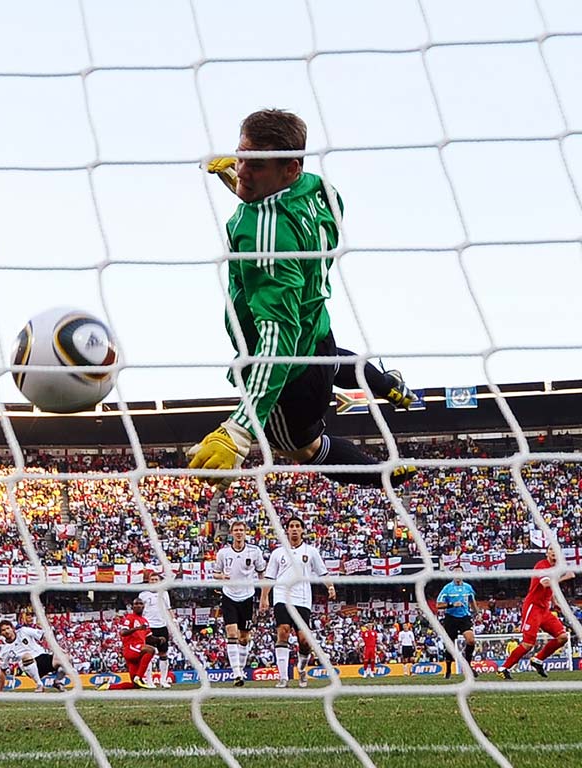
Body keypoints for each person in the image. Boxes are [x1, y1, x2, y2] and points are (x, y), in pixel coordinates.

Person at [188, 109, 416, 489]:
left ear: (290, 169)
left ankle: (379, 476)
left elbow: (278, 339)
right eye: (242, 156)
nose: (241, 170)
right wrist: (246, 184)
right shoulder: (321, 192)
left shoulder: (261, 235)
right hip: (318, 334)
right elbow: (289, 210)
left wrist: (239, 430)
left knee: (303, 448)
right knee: (326, 356)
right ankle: (387, 384)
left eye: (255, 166)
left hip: (287, 372)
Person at [259, 516, 335, 688]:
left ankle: (301, 669)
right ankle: (283, 677)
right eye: (291, 526)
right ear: (287, 530)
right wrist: (264, 598)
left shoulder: (311, 551)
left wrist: (330, 587)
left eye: (297, 526)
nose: (294, 529)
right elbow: (269, 577)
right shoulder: (278, 553)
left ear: (302, 530)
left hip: (302, 599)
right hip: (281, 597)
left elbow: (322, 572)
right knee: (283, 632)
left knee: (305, 641)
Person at [499, 544, 576, 680]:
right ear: (547, 553)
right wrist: (565, 577)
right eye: (551, 549)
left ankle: (538, 660)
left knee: (563, 637)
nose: (553, 552)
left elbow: (550, 588)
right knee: (528, 643)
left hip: (544, 610)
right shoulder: (541, 566)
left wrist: (555, 602)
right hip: (533, 608)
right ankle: (504, 668)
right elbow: (546, 583)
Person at [212, 519, 267, 686]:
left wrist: (264, 597)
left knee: (244, 638)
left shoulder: (254, 551)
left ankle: (240, 670)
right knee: (232, 633)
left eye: (241, 530)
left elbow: (261, 573)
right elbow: (215, 574)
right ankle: (236, 673)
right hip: (229, 596)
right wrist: (222, 577)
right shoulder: (223, 553)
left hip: (247, 597)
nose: (238, 533)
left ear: (245, 533)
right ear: (231, 533)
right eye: (235, 530)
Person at [0, 620, 69, 693]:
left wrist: (57, 648)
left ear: (12, 628)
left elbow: (45, 635)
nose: (7, 631)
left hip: (43, 657)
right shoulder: (5, 650)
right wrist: (0, 690)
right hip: (29, 666)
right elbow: (3, 670)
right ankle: (39, 684)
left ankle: (58, 682)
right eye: (3, 630)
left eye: (8, 628)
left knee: (66, 657)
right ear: (1, 633)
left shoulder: (24, 631)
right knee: (26, 656)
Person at [104, 598, 158, 690]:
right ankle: (139, 677)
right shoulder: (130, 618)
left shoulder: (144, 621)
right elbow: (123, 632)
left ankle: (108, 686)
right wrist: (137, 628)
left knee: (135, 685)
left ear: (143, 606)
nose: (138, 605)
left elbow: (149, 638)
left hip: (137, 652)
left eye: (140, 603)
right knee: (151, 650)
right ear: (132, 607)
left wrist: (159, 639)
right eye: (136, 604)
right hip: (131, 648)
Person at [435, 567, 478, 679]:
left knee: (471, 640)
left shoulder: (468, 587)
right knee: (450, 645)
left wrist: (477, 612)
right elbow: (438, 605)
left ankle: (468, 666)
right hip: (451, 618)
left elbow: (472, 601)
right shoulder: (447, 588)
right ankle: (448, 668)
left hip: (464, 617)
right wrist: (452, 605)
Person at [138, 569, 173, 688]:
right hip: (149, 627)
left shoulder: (164, 593)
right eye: (152, 580)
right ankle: (149, 680)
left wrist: (173, 623)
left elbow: (168, 609)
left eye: (156, 580)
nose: (154, 581)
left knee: (163, 653)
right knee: (149, 653)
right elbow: (139, 612)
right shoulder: (143, 594)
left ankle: (163, 680)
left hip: (161, 626)